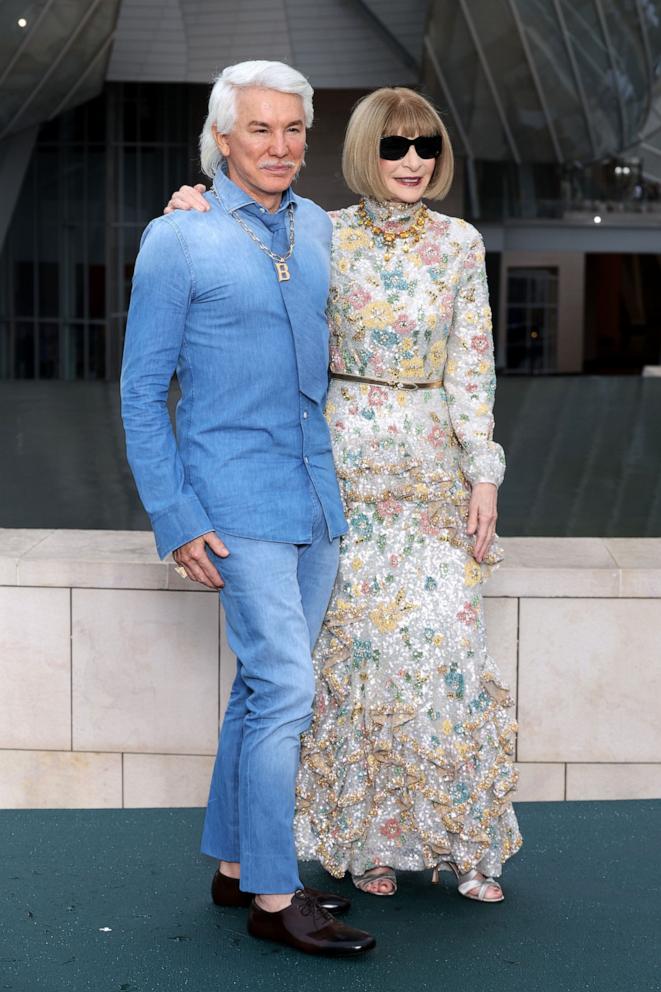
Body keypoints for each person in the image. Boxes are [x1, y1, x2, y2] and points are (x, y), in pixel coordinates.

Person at [167, 86, 522, 902]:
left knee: (444, 657)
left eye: (425, 145)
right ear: (366, 150)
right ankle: (368, 847)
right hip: (338, 470)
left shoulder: (460, 244)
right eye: (393, 146)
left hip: (432, 470)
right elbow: (237, 257)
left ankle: (466, 845)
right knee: (353, 665)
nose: (411, 161)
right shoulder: (319, 231)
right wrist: (191, 204)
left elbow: (472, 368)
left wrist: (484, 473)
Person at [121, 60, 375, 956]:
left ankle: (232, 868)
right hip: (232, 504)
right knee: (288, 691)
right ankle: (275, 893)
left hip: (315, 497)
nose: (280, 146)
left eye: (294, 129)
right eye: (260, 129)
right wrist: (175, 514)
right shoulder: (177, 238)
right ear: (222, 139)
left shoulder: (316, 227)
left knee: (264, 689)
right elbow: (142, 393)